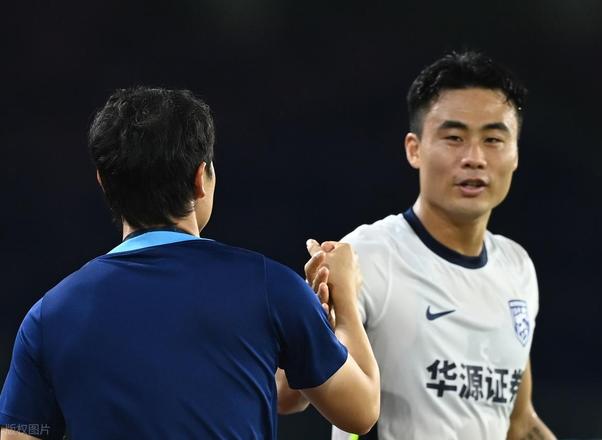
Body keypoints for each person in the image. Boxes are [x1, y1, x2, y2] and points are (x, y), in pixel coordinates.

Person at [0, 87, 379, 440]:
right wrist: (344, 298)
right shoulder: (270, 288)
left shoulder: (48, 317)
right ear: (201, 178)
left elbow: (279, 393)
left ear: (103, 182)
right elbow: (361, 411)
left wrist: (308, 337)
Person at [305, 51, 556, 439]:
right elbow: (290, 394)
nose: (474, 158)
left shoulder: (517, 267)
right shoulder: (367, 255)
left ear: (516, 153)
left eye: (493, 139)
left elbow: (518, 423)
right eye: (454, 138)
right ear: (414, 149)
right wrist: (311, 316)